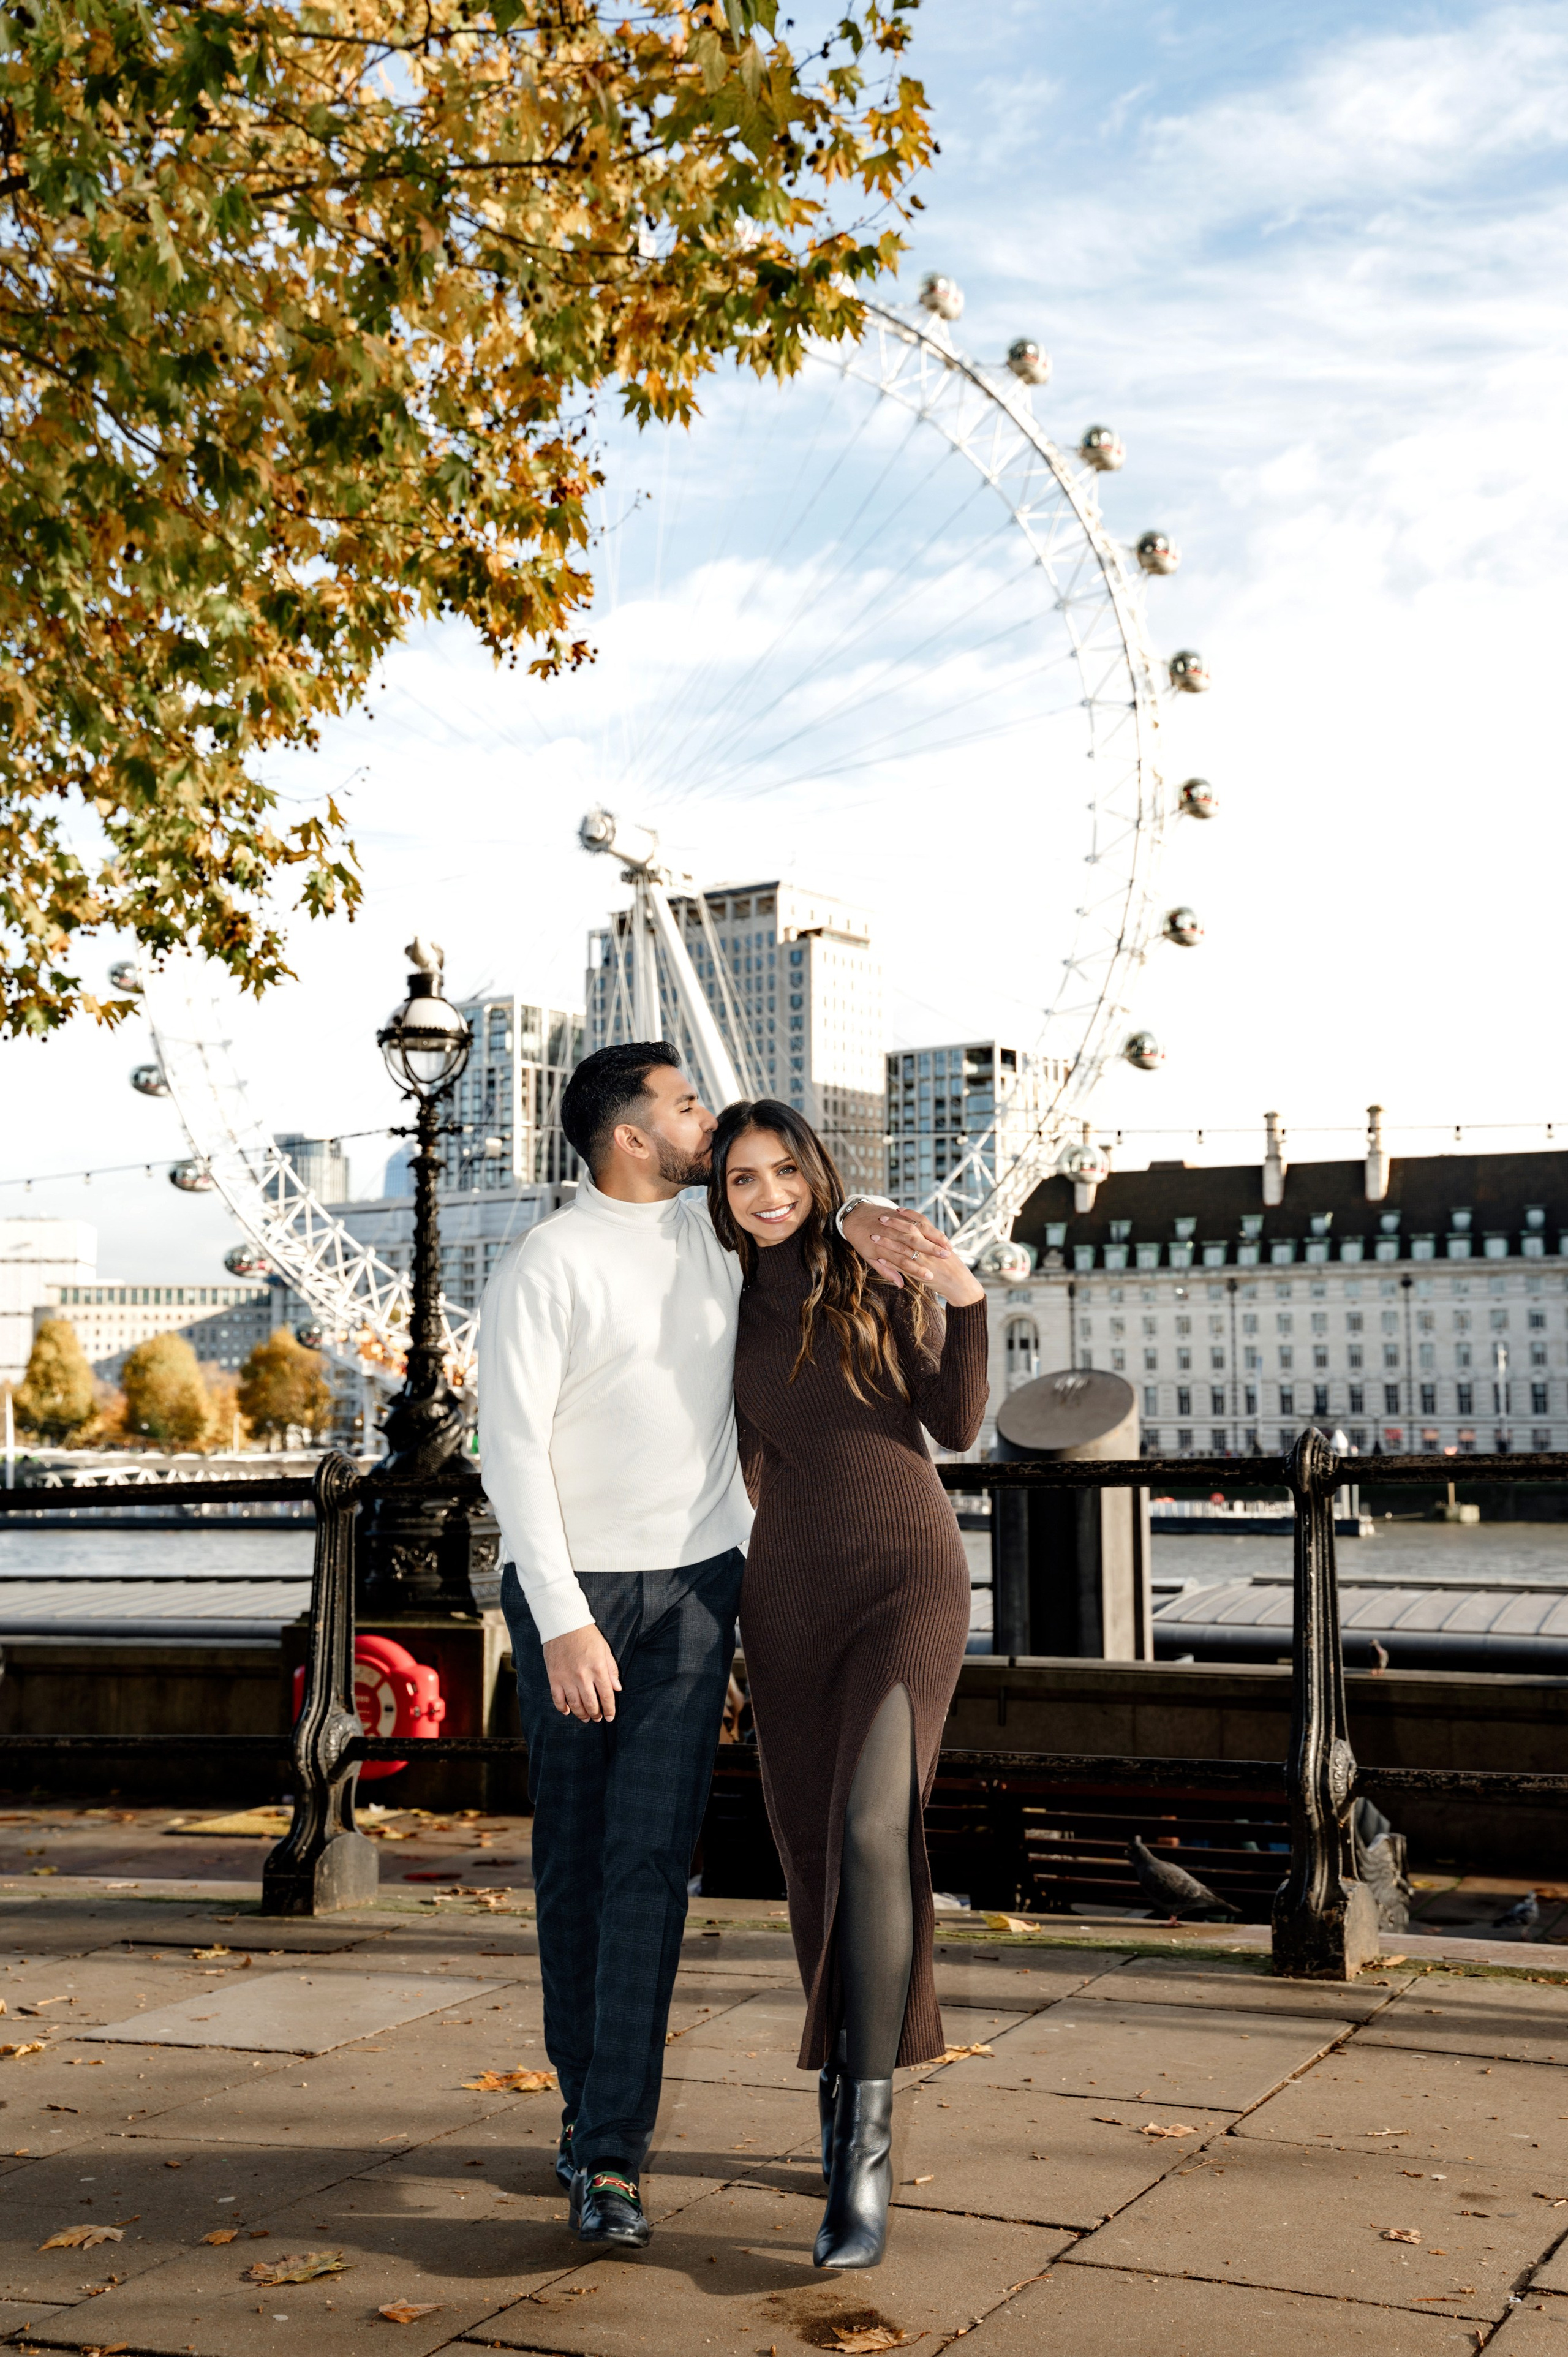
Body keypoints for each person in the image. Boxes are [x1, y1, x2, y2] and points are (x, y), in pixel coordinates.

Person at [477, 1042, 947, 2252]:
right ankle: (585, 2117)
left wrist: (907, 1252)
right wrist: (565, 1615)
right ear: (629, 1133)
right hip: (572, 1599)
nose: (706, 1117)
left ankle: (613, 2157)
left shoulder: (720, 1236)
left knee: (646, 1869)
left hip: (695, 1589)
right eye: (684, 1105)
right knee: (574, 1868)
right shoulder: (547, 1262)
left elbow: (820, 1251)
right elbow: (511, 1449)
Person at [709, 1097, 989, 2271]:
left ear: (817, 1175)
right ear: (717, 1199)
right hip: (785, 1595)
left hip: (906, 1574)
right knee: (817, 1852)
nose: (766, 1193)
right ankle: (841, 2101)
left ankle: (864, 2165)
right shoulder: (711, 1300)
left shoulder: (872, 1264)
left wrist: (962, 1291)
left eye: (784, 1170)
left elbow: (959, 1421)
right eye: (738, 1179)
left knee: (876, 1827)